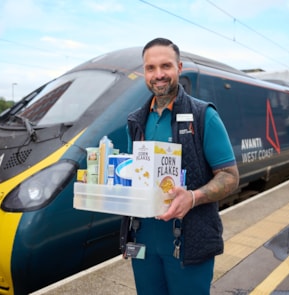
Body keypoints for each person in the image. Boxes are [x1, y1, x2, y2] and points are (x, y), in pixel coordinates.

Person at [120, 37, 239, 295]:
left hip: (188, 240)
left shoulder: (204, 116)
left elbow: (230, 176)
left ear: (179, 68)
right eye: (151, 68)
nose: (158, 74)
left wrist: (193, 197)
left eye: (166, 66)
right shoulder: (135, 122)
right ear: (144, 72)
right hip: (143, 239)